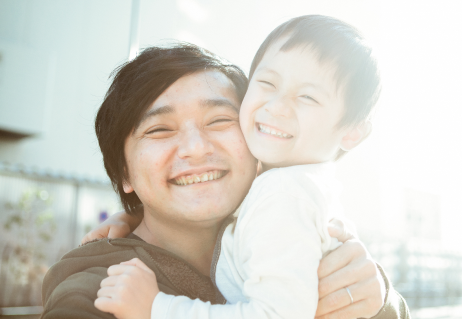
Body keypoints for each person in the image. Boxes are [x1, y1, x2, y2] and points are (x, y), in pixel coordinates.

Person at [82, 16, 409, 319]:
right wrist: (138, 214)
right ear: (123, 170)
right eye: (160, 129)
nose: (276, 107)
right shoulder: (90, 290)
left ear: (352, 131)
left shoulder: (284, 198)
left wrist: (158, 308)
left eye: (220, 120)